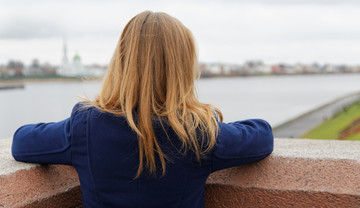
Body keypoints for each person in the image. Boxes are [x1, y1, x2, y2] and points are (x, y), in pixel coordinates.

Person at [12, 11, 273, 208]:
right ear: (183, 68)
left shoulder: (86, 126)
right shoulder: (198, 132)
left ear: (121, 63)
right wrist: (208, 118)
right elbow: (261, 135)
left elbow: (22, 142)